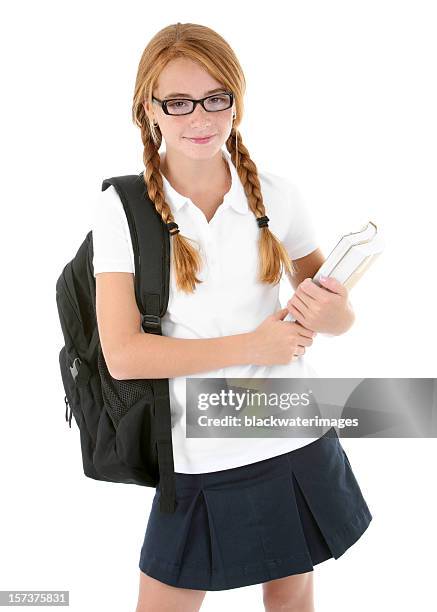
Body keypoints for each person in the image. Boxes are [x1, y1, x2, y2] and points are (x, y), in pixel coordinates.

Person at [92, 22, 372, 612]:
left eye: (217, 98)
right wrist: (254, 345)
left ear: (236, 100)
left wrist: (332, 312)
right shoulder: (122, 209)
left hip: (295, 431)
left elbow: (337, 319)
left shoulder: (277, 194)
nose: (201, 118)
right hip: (199, 453)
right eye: (179, 102)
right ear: (150, 107)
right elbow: (123, 354)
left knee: (293, 599)